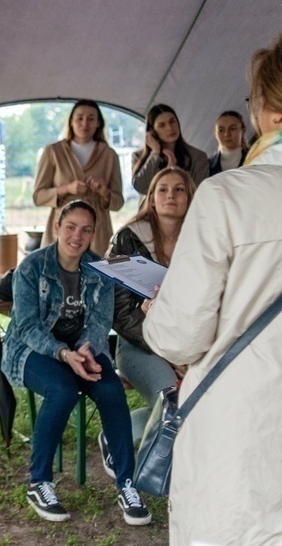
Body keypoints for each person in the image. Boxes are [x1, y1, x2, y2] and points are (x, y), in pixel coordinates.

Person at [143, 27, 282, 546]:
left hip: (242, 459)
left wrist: (161, 308)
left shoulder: (228, 195)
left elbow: (180, 337)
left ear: (271, 110)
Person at [1, 201, 151, 526]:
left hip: (81, 349)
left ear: (93, 234)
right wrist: (63, 354)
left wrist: (84, 350)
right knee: (62, 390)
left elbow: (100, 324)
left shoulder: (100, 269)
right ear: (57, 227)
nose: (77, 236)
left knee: (112, 391)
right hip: (33, 350)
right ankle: (39, 482)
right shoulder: (32, 268)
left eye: (85, 230)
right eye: (71, 227)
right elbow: (26, 327)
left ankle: (127, 482)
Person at [101, 168, 194, 462]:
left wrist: (191, 352)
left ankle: (123, 429)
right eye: (162, 189)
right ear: (151, 199)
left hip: (192, 344)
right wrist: (168, 351)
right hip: (139, 345)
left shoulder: (202, 238)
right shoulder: (128, 239)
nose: (171, 195)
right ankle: (149, 462)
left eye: (179, 190)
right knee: (169, 396)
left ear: (190, 197)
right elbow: (121, 312)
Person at [34, 99, 124, 255]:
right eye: (80, 118)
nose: (85, 123)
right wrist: (67, 189)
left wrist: (104, 192)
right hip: (63, 228)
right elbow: (38, 197)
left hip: (97, 231)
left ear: (98, 123)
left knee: (96, 274)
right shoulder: (53, 152)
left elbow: (118, 203)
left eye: (91, 119)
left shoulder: (109, 155)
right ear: (71, 122)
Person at [132, 104, 208, 199]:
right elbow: (141, 188)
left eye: (172, 122)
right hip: (151, 212)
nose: (169, 128)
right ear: (152, 131)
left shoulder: (198, 157)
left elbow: (199, 194)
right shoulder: (138, 156)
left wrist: (174, 174)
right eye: (162, 125)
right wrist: (155, 153)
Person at [208, 110, 249, 175]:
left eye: (232, 129)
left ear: (243, 130)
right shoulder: (207, 166)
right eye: (221, 130)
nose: (227, 134)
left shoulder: (255, 159)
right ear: (215, 133)